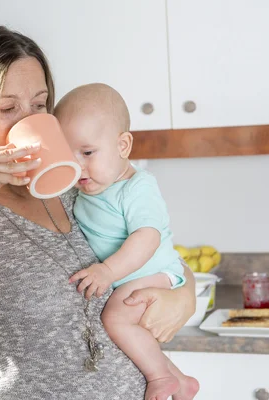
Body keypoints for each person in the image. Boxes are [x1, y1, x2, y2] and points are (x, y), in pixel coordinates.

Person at [0, 25, 196, 400]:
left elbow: (155, 249)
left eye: (39, 106)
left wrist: (186, 294)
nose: (28, 122)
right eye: (8, 108)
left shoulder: (79, 186)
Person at [55, 83, 200, 400]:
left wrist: (107, 271)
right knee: (130, 326)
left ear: (123, 145)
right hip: (135, 277)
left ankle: (160, 377)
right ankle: (183, 381)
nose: (78, 165)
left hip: (152, 272)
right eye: (69, 157)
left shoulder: (137, 187)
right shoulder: (82, 191)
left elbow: (148, 237)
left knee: (115, 319)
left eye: (88, 153)